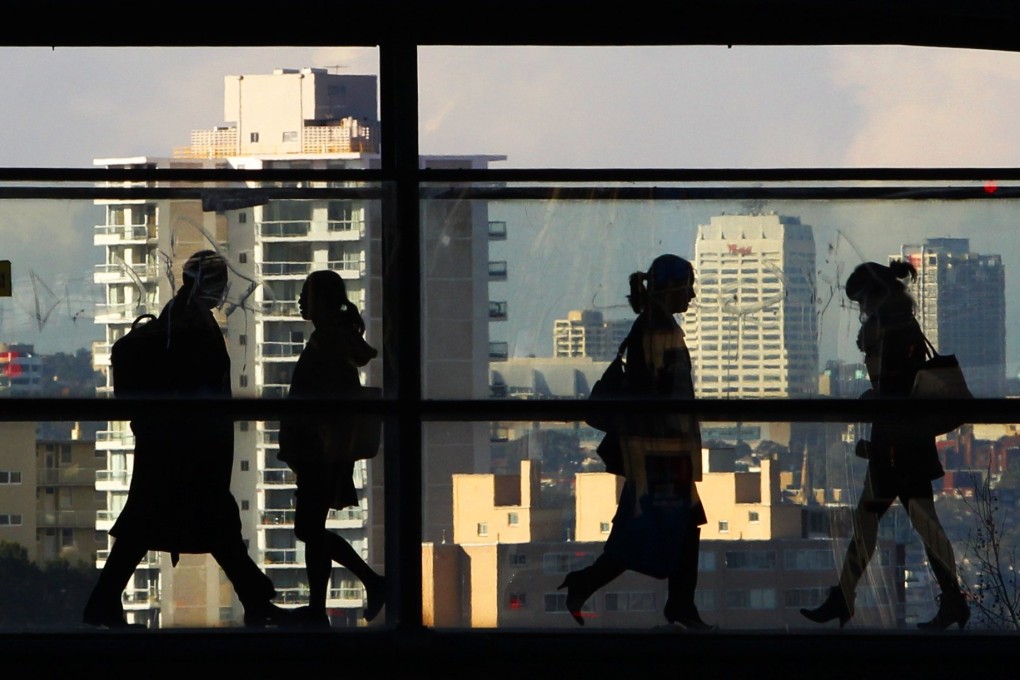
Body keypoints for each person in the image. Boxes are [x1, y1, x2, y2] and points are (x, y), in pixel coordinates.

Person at [83, 250, 287, 629]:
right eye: (219, 283)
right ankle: (256, 598)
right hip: (185, 449)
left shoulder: (183, 316)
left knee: (159, 524)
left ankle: (104, 602)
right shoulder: (190, 323)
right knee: (198, 522)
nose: (223, 290)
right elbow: (197, 386)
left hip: (172, 445)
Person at [801, 260, 968, 630]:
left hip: (897, 445)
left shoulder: (894, 329)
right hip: (900, 444)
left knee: (888, 524)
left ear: (874, 295)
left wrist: (868, 400)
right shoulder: (895, 325)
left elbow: (892, 389)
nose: (859, 309)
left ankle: (844, 598)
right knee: (903, 524)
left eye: (860, 300)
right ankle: (948, 600)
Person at [560, 254, 710, 629]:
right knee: (671, 525)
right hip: (661, 451)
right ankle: (679, 606)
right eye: (687, 287)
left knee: (649, 528)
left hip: (655, 451)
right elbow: (667, 396)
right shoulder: (660, 332)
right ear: (672, 288)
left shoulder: (650, 327)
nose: (692, 295)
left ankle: (591, 583)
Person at [278, 270, 385, 629]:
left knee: (309, 530)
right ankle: (317, 608)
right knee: (312, 529)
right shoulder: (334, 339)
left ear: (320, 300)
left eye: (304, 293)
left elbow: (323, 401)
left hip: (320, 452)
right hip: (324, 451)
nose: (299, 301)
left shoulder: (328, 342)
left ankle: (370, 582)